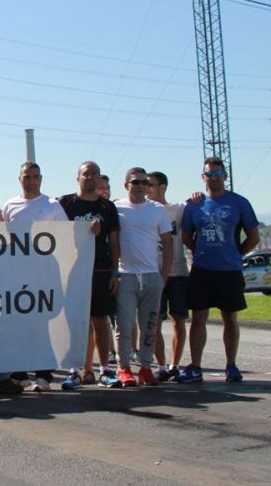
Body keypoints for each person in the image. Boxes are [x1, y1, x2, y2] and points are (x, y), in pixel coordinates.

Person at [177, 157, 259, 384]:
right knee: (198, 319)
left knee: (230, 318)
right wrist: (200, 252)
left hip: (229, 271)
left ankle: (231, 365)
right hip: (202, 270)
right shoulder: (194, 204)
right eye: (209, 174)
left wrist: (237, 254)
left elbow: (254, 237)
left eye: (217, 174)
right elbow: (186, 236)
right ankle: (195, 367)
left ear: (225, 175)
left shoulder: (239, 202)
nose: (213, 178)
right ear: (202, 177)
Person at [1, 162, 68, 391]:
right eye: (27, 176)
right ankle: (19, 373)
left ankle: (43, 375)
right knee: (17, 325)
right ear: (19, 178)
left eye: (35, 176)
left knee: (42, 326)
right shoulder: (10, 205)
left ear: (41, 178)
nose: (31, 180)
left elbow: (67, 236)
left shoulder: (53, 206)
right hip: (16, 274)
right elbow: (2, 239)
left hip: (45, 274)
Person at [58, 161, 121, 388]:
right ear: (78, 178)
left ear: (99, 178)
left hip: (100, 270)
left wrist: (115, 271)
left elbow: (114, 241)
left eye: (94, 173)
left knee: (100, 320)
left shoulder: (107, 207)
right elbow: (55, 233)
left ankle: (104, 370)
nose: (90, 177)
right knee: (75, 321)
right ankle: (75, 370)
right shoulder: (65, 203)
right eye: (86, 174)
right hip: (72, 271)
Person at [112, 168, 172, 387]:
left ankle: (146, 367)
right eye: (136, 182)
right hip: (126, 275)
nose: (141, 186)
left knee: (150, 326)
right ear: (126, 185)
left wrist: (163, 276)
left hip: (151, 276)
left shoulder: (158, 210)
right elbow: (112, 240)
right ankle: (124, 367)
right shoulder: (116, 207)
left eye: (145, 183)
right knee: (124, 325)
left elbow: (168, 243)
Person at [147, 171, 190, 382]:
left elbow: (195, 203)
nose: (146, 188)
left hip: (178, 272)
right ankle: (161, 365)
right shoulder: (145, 209)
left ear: (162, 187)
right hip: (154, 272)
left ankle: (174, 365)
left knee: (178, 320)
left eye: (150, 185)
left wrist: (198, 195)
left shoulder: (178, 209)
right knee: (154, 321)